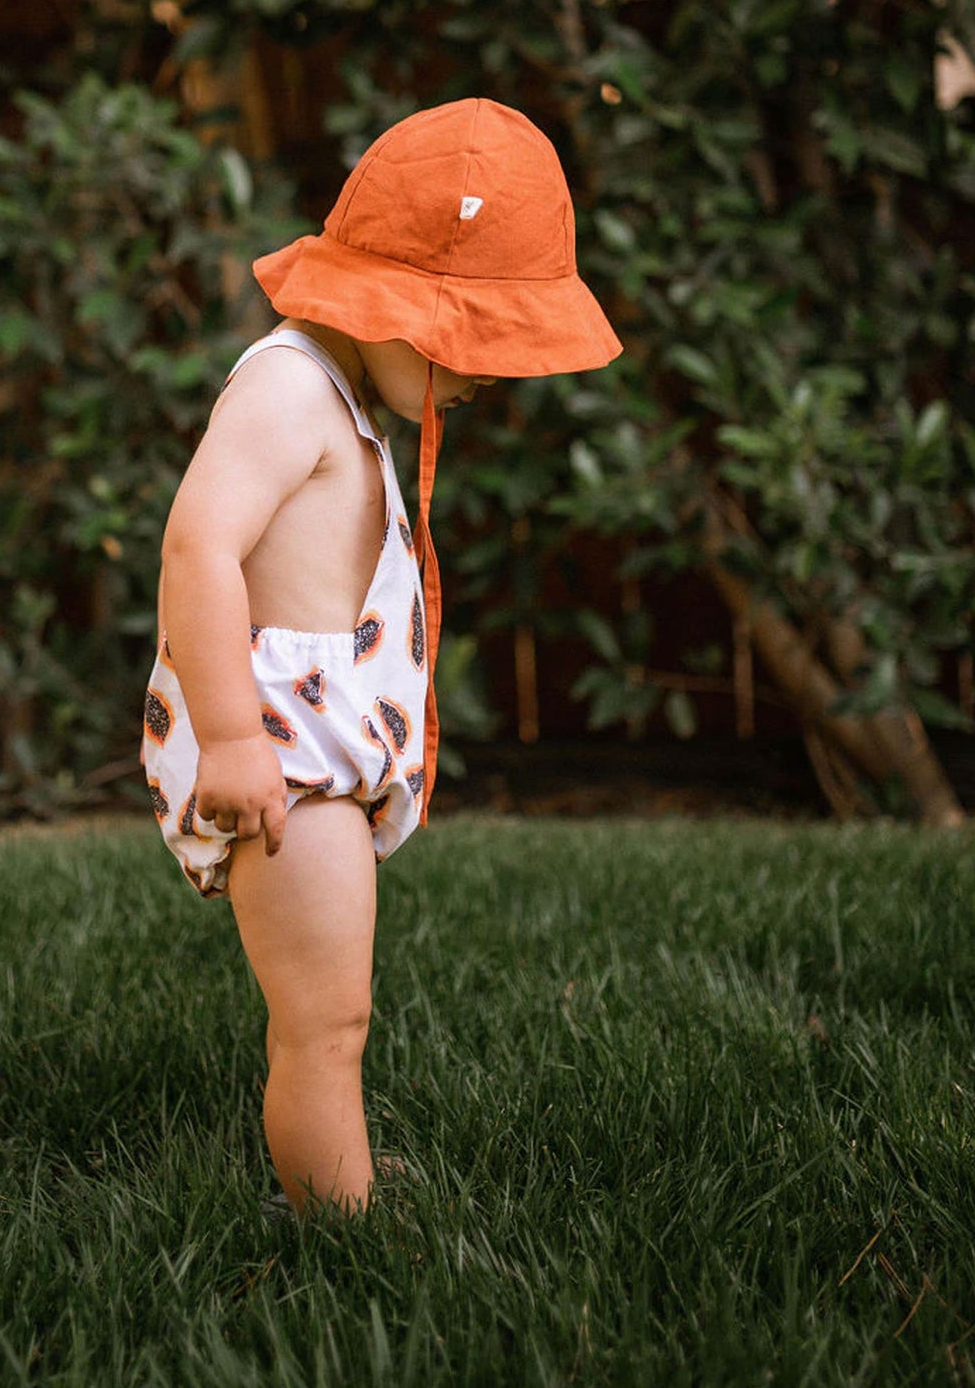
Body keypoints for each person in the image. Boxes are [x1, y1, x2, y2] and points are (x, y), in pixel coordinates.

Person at [141, 97, 621, 1216]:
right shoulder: (286, 388)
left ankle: (333, 1166)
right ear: (390, 303)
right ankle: (333, 1222)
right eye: (469, 342)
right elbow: (195, 544)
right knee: (324, 1015)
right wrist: (229, 735)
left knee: (333, 1004)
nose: (485, 379)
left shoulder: (344, 389)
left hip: (316, 752)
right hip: (279, 757)